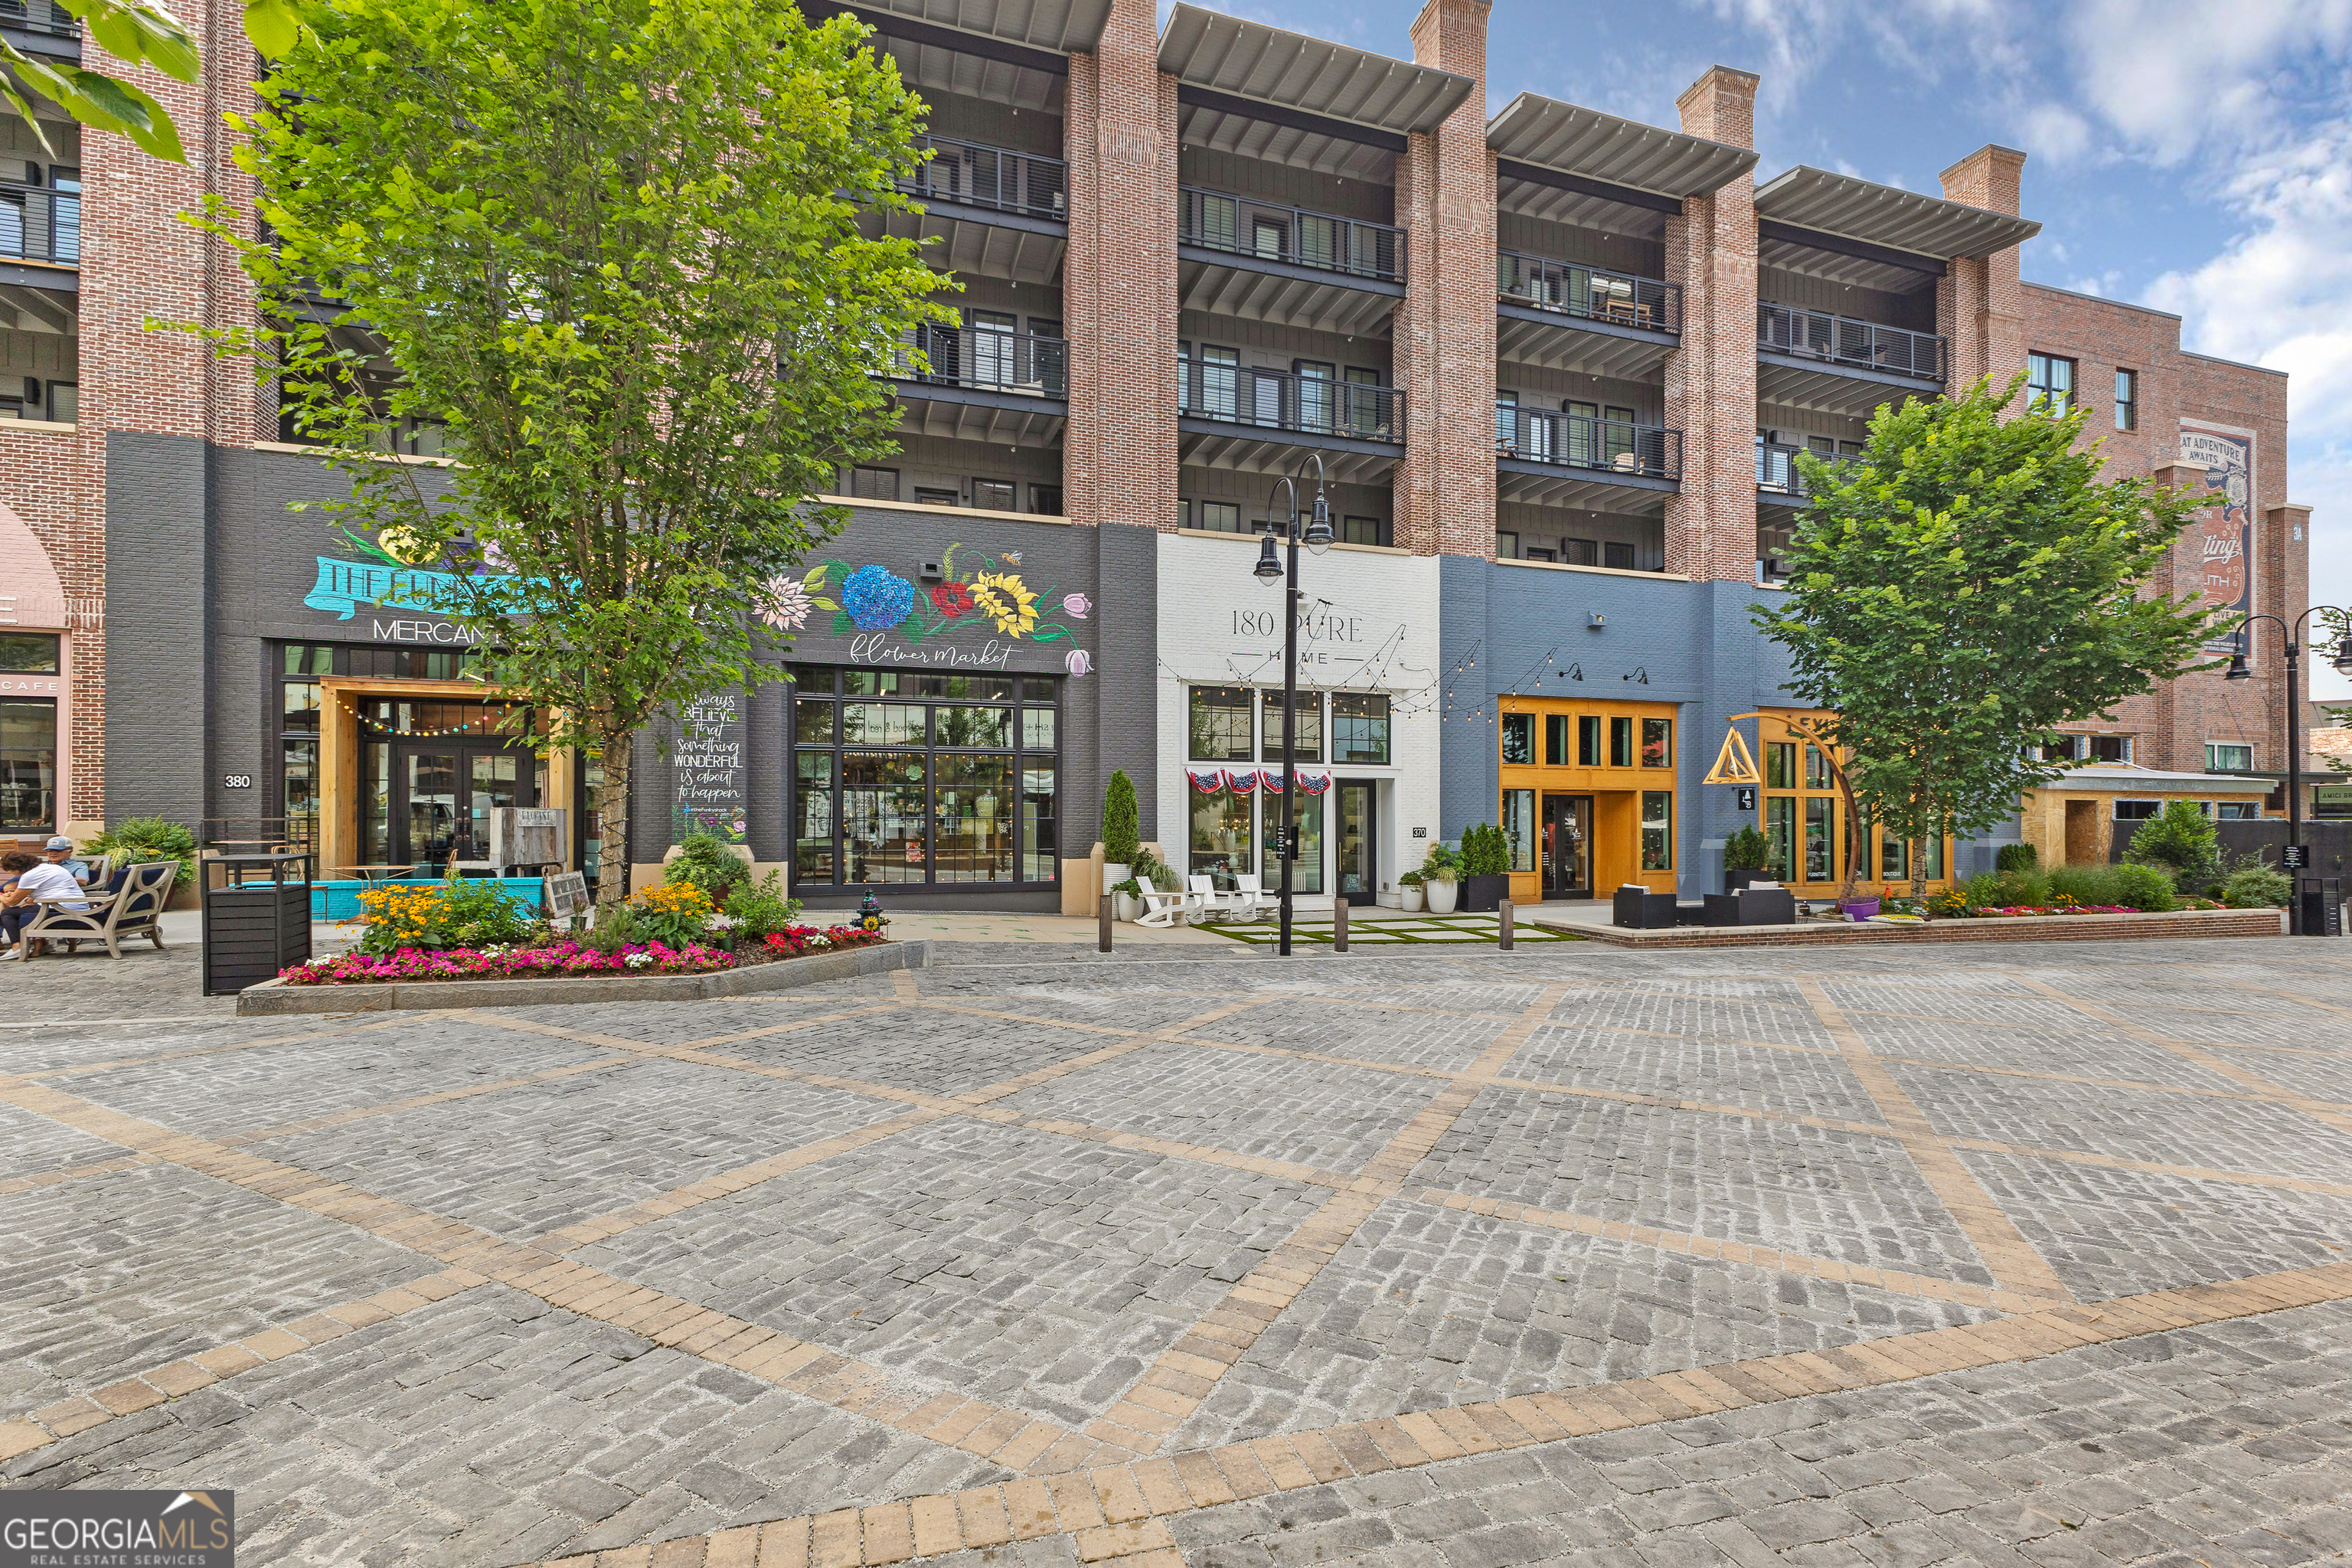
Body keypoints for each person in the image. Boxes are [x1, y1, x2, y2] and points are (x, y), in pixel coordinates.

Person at [1, 847, 87, 958]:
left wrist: (1, 897)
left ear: (16, 868)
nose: (12, 874)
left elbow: (13, 901)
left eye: (11, 871)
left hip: (60, 907)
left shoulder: (29, 875)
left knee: (7, 913)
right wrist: (31, 900)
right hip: (78, 905)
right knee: (19, 911)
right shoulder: (51, 867)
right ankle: (44, 945)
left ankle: (17, 946)